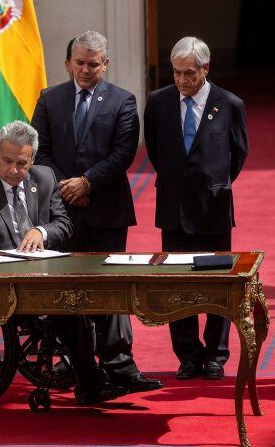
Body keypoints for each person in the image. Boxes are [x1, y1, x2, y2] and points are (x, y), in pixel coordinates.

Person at [0, 120, 126, 404]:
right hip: (6, 285)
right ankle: (91, 383)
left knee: (107, 292)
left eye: (22, 163)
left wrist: (42, 231)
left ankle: (121, 368)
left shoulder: (45, 178)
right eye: (7, 161)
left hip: (46, 271)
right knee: (69, 305)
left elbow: (64, 224)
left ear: (33, 160)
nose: (14, 170)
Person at [31, 31, 162, 394]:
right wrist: (67, 187)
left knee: (111, 288)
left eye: (93, 64)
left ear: (105, 64)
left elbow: (123, 153)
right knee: (69, 289)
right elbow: (38, 152)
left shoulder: (122, 100)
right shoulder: (50, 99)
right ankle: (78, 366)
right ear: (68, 62)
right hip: (61, 211)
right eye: (80, 63)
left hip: (106, 209)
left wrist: (87, 183)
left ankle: (120, 366)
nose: (85, 70)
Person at [144, 36, 249, 380]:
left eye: (189, 73)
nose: (182, 80)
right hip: (174, 205)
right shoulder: (158, 102)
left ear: (206, 69)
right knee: (176, 284)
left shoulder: (229, 103)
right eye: (176, 73)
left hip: (213, 206)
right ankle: (187, 354)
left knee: (217, 282)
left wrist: (212, 181)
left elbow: (238, 153)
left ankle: (216, 354)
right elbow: (157, 153)